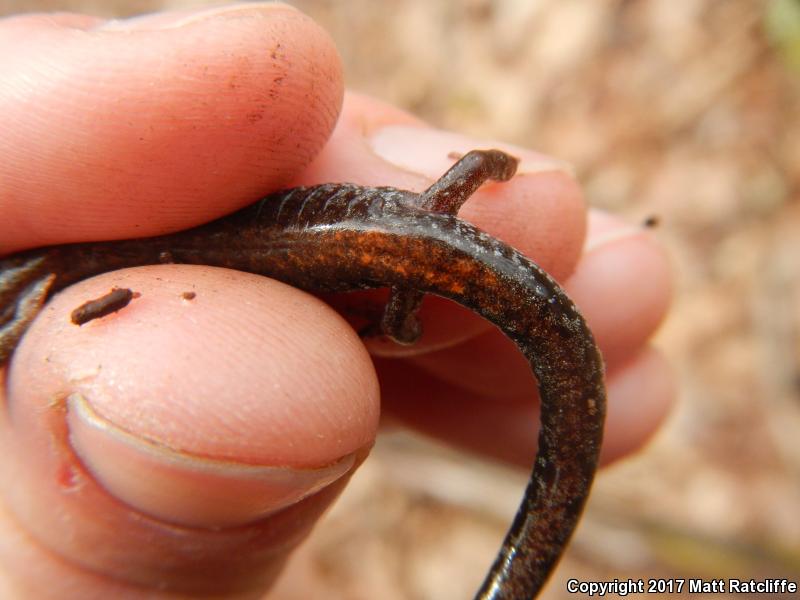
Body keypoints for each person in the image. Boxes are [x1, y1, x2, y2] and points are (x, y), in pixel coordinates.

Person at [0, 3, 674, 597]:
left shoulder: (78, 257)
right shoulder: (84, 253)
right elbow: (466, 171)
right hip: (423, 233)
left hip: (420, 251)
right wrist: (490, 171)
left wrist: (398, 316)